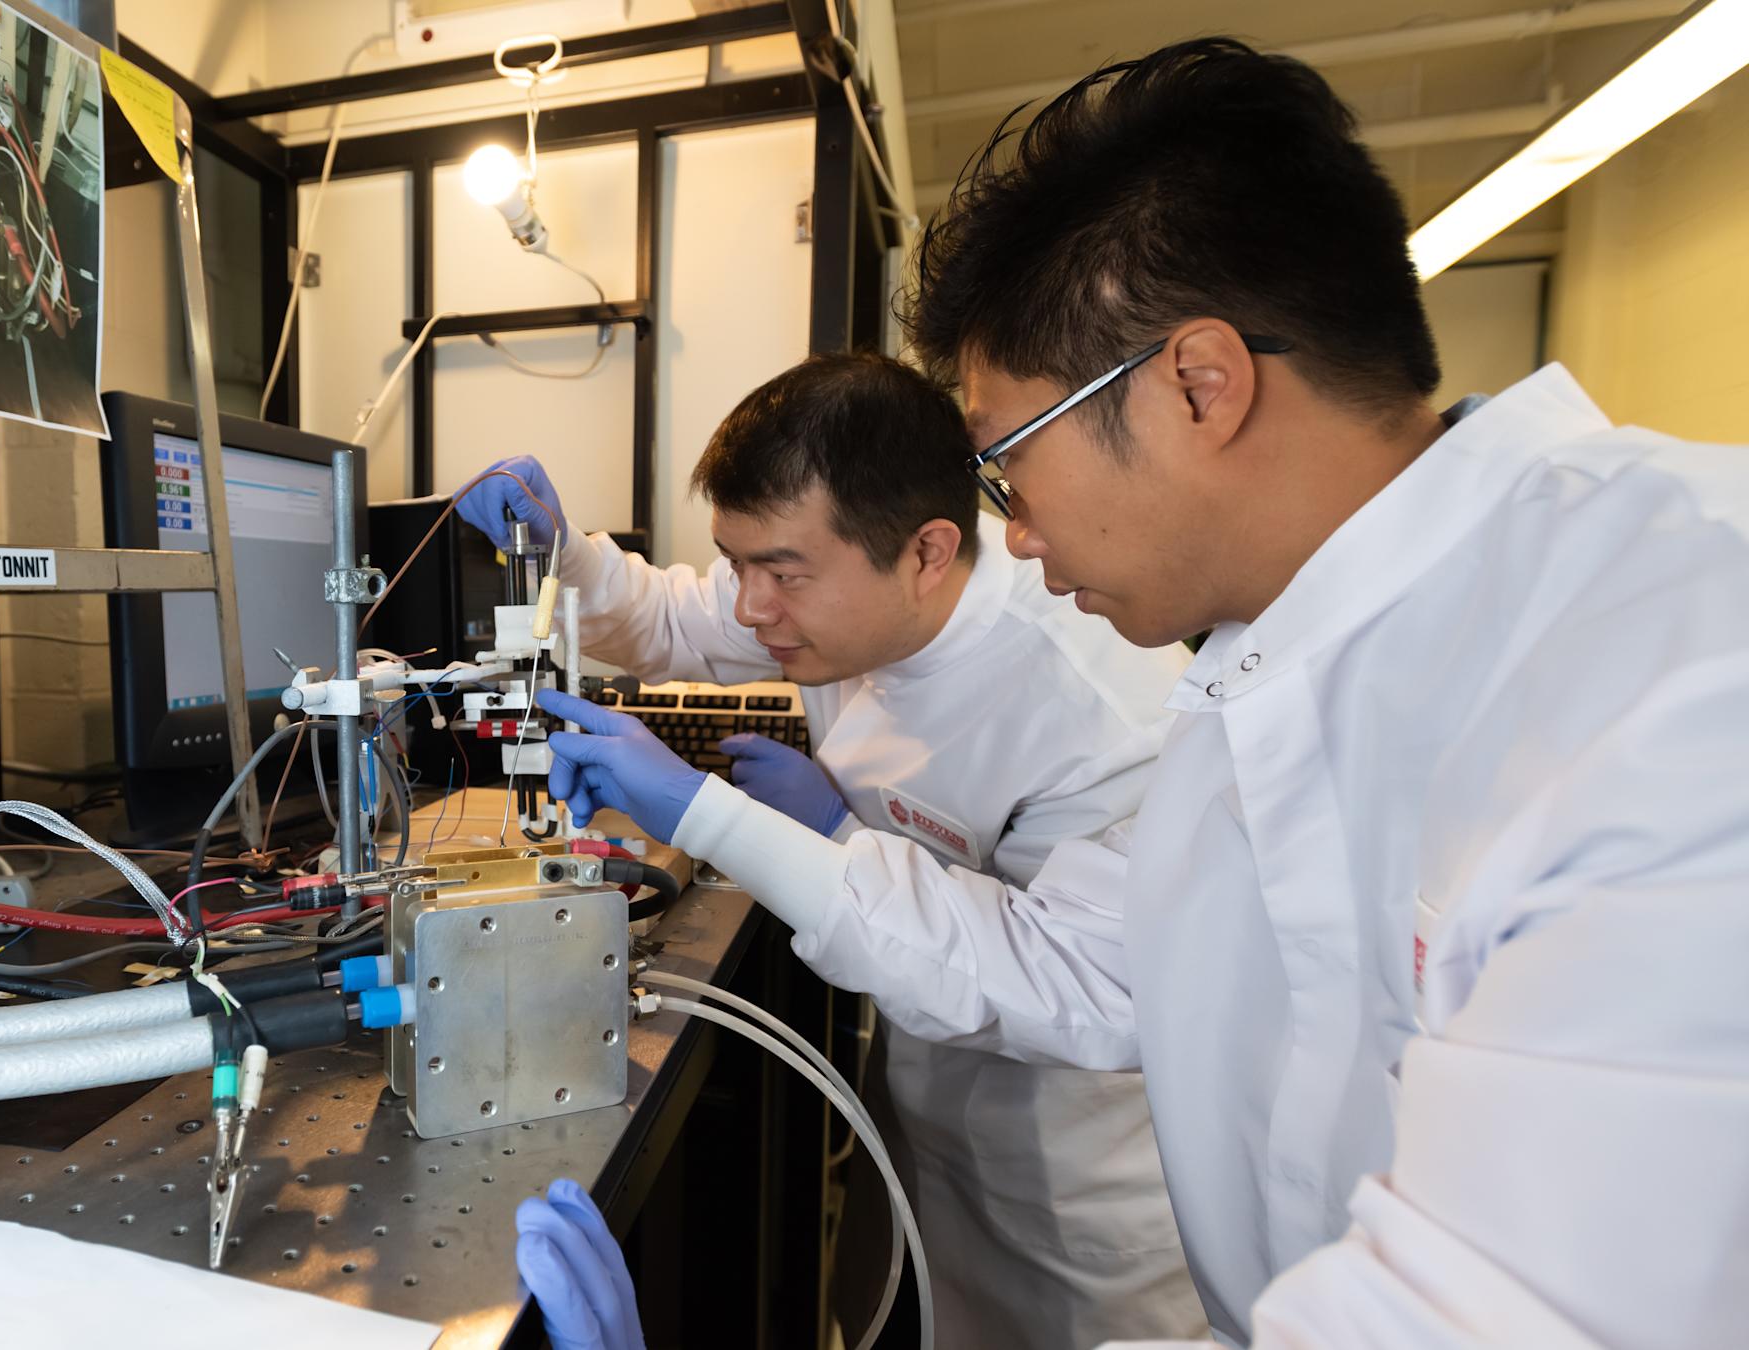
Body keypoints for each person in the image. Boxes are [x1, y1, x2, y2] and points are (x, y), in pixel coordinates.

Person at [523, 36, 1749, 1350]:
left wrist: (747, 824)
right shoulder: (1260, 666)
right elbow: (1083, 965)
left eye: (1006, 462)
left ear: (1197, 386)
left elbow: (1484, 1317)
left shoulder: (1679, 653)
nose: (1015, 530)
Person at [458, 352, 1207, 1348]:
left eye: (781, 574)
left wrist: (763, 824)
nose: (750, 606)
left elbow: (1052, 983)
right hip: (918, 1129)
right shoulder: (837, 583)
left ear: (928, 553)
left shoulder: (1104, 710)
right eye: (738, 564)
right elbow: (676, 620)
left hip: (1071, 1209)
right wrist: (571, 560)